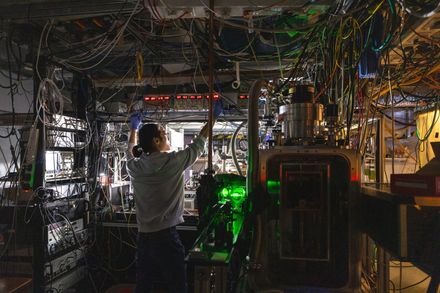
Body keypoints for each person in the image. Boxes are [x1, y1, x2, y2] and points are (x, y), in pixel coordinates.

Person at [126, 114, 212, 293]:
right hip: (165, 236)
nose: (167, 136)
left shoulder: (135, 167)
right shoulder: (173, 161)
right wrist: (213, 118)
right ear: (156, 141)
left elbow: (130, 150)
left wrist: (133, 129)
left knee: (143, 286)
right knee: (177, 285)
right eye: (164, 134)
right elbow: (199, 144)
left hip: (143, 237)